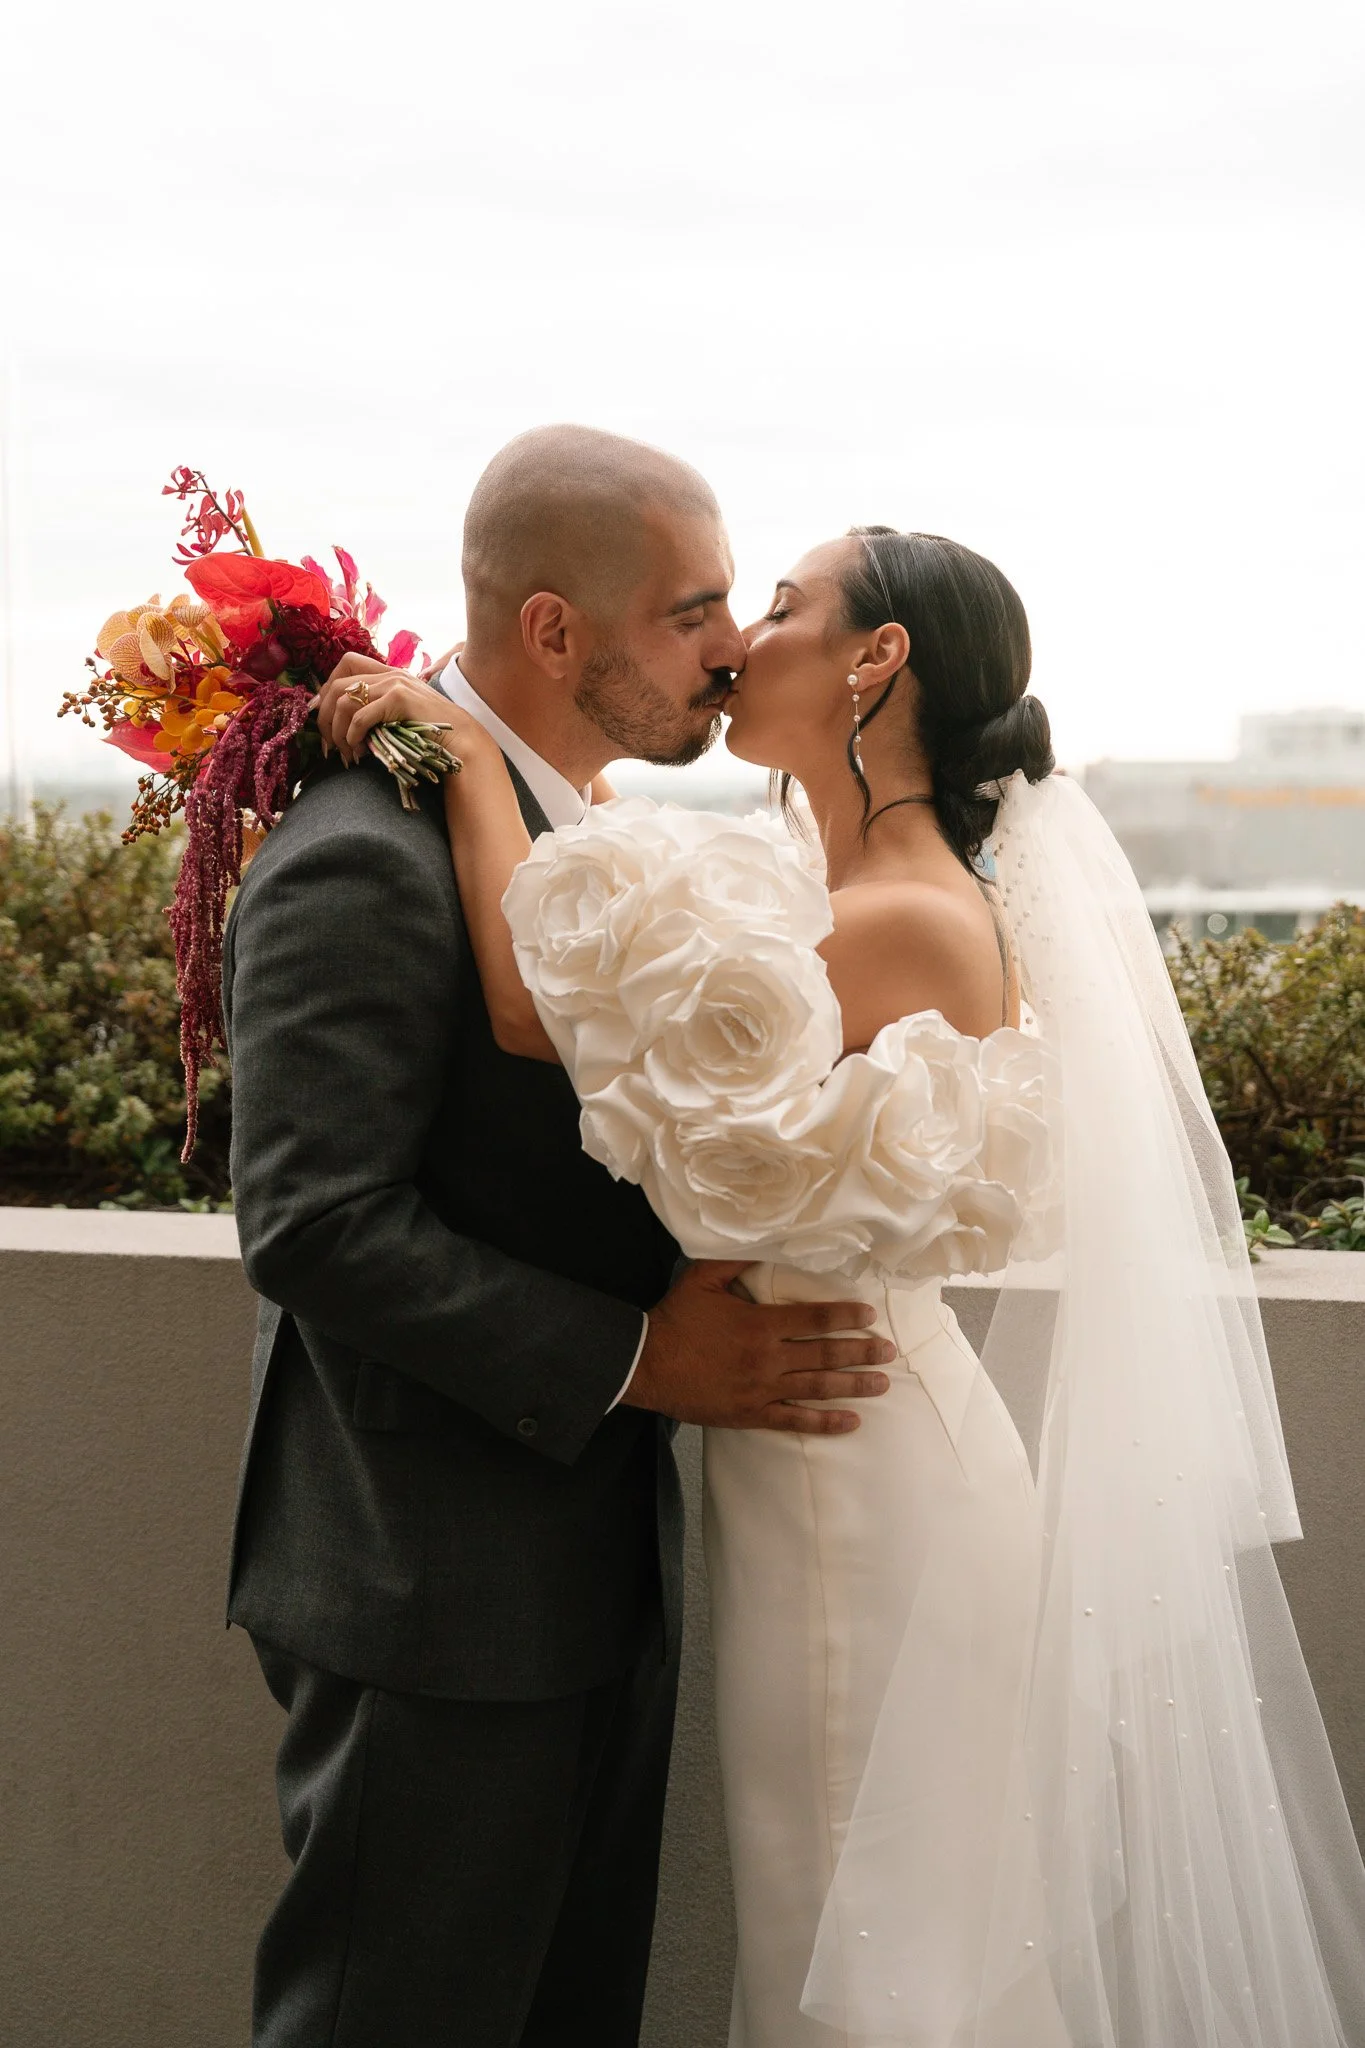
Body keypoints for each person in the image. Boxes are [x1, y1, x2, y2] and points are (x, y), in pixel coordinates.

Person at [321, 519, 1365, 2047]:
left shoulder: (900, 915)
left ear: (878, 660)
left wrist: (474, 763)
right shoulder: (855, 882)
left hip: (862, 1481)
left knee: (867, 1959)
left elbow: (540, 1005)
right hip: (830, 1448)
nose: (741, 636)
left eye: (786, 606)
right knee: (858, 1933)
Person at [224, 425, 895, 2048]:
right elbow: (313, 1223)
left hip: (585, 1573)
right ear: (553, 632)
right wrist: (648, 1356)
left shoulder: (561, 837)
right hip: (429, 1593)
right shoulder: (359, 855)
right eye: (693, 610)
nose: (730, 648)